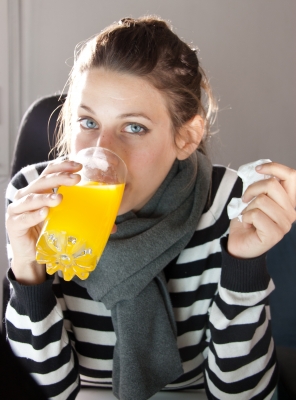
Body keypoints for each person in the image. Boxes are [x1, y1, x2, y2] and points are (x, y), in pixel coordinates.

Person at [4, 16, 296, 400]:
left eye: (134, 127)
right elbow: (47, 390)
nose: (102, 151)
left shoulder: (227, 203)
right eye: (88, 121)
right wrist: (28, 271)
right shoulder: (33, 196)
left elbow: (242, 395)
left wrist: (243, 263)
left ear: (186, 138)